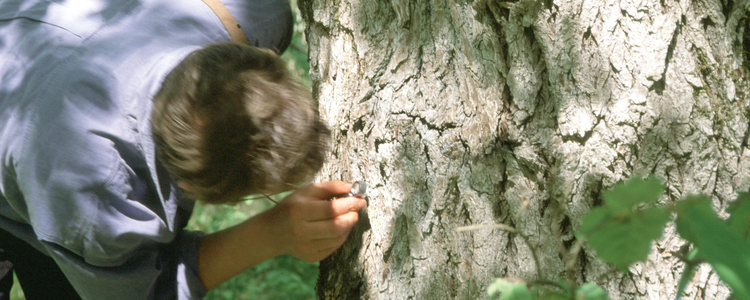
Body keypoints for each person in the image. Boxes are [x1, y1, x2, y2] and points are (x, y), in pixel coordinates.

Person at [0, 0, 366, 299]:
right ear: (187, 187)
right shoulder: (91, 201)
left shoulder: (252, 14)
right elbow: (144, 294)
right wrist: (273, 232)